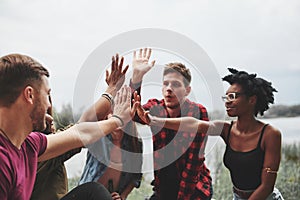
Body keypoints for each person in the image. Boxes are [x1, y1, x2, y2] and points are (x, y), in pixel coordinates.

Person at [136, 68, 284, 200]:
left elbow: (267, 187)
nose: (227, 102)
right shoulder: (226, 129)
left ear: (251, 100)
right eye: (226, 98)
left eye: (233, 97)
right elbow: (193, 124)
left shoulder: (270, 134)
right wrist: (154, 120)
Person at [0, 53, 132, 200]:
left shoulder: (30, 144)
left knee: (93, 191)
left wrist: (116, 119)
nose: (49, 105)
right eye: (47, 95)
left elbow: (79, 133)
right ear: (29, 95)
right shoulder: (3, 160)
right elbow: (82, 127)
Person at [130, 48, 212, 199]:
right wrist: (137, 78)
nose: (169, 89)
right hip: (164, 187)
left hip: (193, 189)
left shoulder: (198, 112)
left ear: (187, 90)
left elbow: (193, 164)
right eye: (165, 84)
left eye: (175, 84)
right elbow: (133, 112)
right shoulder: (155, 107)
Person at [79, 114, 143, 200]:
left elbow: (135, 178)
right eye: (113, 112)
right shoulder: (97, 135)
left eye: (121, 112)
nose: (118, 115)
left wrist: (122, 196)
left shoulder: (135, 143)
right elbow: (81, 126)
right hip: (87, 196)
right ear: (107, 115)